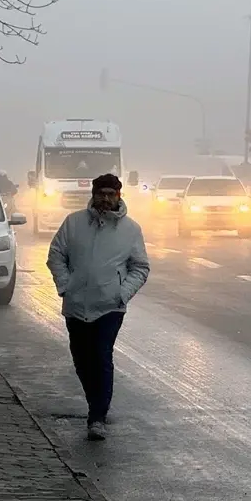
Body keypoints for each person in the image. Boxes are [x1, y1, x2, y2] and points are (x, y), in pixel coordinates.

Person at [46, 173, 150, 441]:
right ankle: (95, 401)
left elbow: (140, 267)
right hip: (76, 305)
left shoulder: (131, 230)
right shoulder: (74, 223)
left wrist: (121, 293)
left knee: (101, 356)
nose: (105, 198)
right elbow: (56, 254)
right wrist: (66, 285)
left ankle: (98, 417)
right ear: (93, 195)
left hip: (109, 307)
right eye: (101, 193)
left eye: (111, 194)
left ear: (119, 196)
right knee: (81, 359)